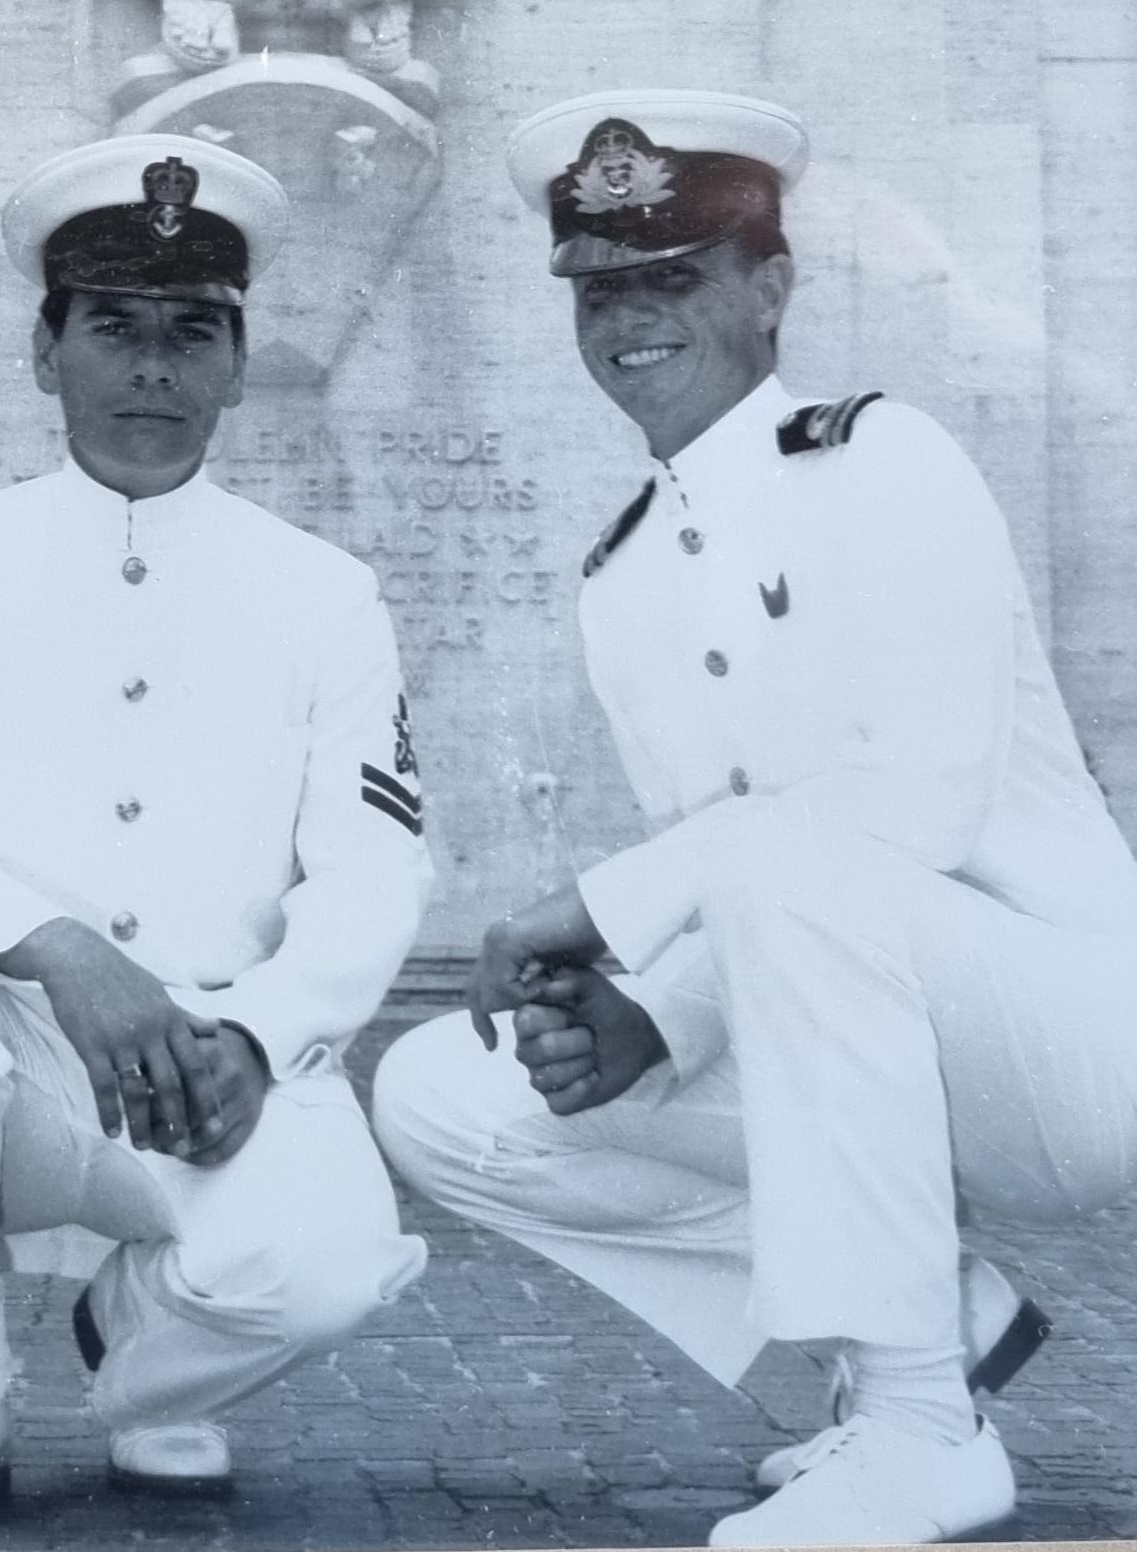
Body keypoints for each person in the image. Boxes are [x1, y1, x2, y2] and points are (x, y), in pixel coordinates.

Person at [369, 88, 1137, 1547]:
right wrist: (647, 1013)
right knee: (447, 1094)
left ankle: (921, 1434)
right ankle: (928, 1331)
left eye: (673, 277)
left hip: (1066, 1041)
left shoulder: (885, 462)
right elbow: (745, 889)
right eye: (598, 288)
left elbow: (902, 804)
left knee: (785, 850)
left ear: (768, 286)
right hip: (854, 1019)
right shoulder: (620, 577)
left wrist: (601, 916)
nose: (626, 319)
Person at [0, 132, 432, 1539]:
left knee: (325, 1270)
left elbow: (375, 868)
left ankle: (137, 1358)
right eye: (114, 328)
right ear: (45, 351)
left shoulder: (323, 594)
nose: (152, 368)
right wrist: (59, 951)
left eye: (190, 333)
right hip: (8, 1043)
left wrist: (260, 1031)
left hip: (217, 1059)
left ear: (236, 361)